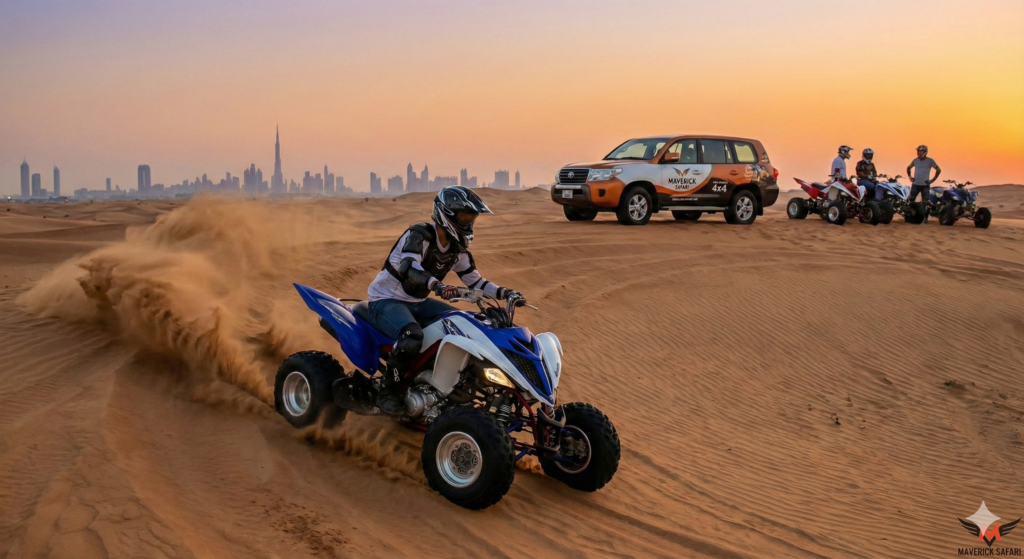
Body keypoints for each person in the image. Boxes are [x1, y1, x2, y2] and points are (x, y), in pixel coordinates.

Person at [366, 186, 524, 413]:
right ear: (446, 214)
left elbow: (476, 282)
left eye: (472, 218)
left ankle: (441, 383)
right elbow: (408, 268)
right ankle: (389, 392)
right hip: (386, 299)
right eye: (464, 217)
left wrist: (506, 293)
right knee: (411, 336)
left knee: (464, 324)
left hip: (418, 302)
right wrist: (437, 285)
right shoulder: (419, 235)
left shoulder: (457, 249)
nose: (469, 223)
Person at [907, 145, 941, 223]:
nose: (919, 153)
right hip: (916, 184)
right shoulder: (915, 160)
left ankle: (925, 218)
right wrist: (910, 177)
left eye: (920, 151)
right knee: (911, 200)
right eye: (918, 151)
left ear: (925, 152)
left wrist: (932, 180)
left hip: (925, 185)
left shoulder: (930, 161)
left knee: (925, 202)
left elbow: (938, 169)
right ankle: (909, 216)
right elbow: (908, 168)